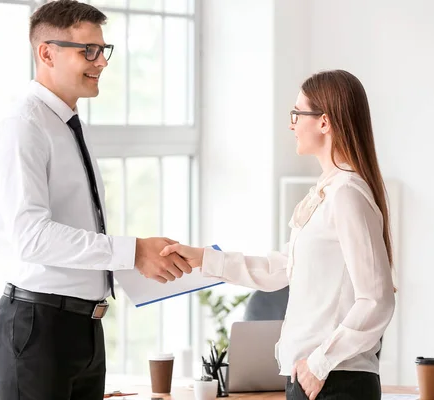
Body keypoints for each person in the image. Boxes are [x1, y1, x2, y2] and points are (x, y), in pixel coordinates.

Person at [0, 1, 190, 399]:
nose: (101, 62)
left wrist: (138, 259)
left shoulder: (68, 123)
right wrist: (133, 251)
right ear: (46, 52)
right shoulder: (22, 128)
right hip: (38, 328)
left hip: (84, 328)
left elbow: (74, 227)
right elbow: (32, 238)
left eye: (102, 50)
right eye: (87, 50)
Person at [161, 70, 396, 400]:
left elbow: (377, 299)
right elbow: (281, 268)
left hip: (334, 380)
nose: (292, 124)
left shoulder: (347, 194)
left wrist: (318, 364)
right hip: (310, 377)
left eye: (297, 113)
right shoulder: (328, 191)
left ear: (324, 122)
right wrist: (204, 258)